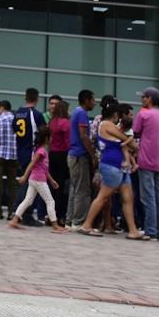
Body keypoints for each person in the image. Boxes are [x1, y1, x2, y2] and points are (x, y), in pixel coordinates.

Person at [78, 102, 141, 239]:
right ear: (115, 114)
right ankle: (86, 225)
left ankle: (132, 230)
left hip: (121, 167)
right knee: (103, 196)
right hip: (111, 165)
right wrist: (132, 143)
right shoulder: (106, 124)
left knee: (128, 198)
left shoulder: (113, 126)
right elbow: (125, 139)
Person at [132, 87, 159, 241]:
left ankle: (150, 231)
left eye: (144, 97)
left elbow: (135, 132)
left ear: (149, 99)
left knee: (148, 197)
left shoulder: (143, 114)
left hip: (146, 159)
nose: (142, 100)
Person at [8, 128, 65, 232]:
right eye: (51, 137)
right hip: (39, 180)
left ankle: (15, 219)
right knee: (50, 201)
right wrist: (24, 176)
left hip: (35, 179)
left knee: (28, 200)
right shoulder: (42, 151)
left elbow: (44, 169)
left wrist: (51, 181)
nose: (52, 139)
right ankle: (55, 225)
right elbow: (32, 164)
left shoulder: (42, 150)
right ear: (47, 138)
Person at [13, 88, 46, 224]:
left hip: (20, 151)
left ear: (25, 97)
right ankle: (24, 213)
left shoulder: (18, 113)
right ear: (37, 98)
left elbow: (15, 129)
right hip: (31, 152)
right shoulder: (36, 114)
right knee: (30, 184)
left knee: (27, 182)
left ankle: (19, 211)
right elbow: (43, 132)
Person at [66, 89, 97, 228]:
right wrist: (93, 155)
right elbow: (84, 136)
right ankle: (78, 222)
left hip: (73, 155)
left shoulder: (75, 112)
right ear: (86, 100)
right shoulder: (82, 114)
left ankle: (70, 220)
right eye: (93, 100)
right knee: (82, 191)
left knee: (75, 189)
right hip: (79, 156)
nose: (94, 103)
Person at [47, 96, 71, 225]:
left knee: (53, 186)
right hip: (62, 155)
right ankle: (59, 215)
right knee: (62, 186)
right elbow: (68, 141)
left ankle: (50, 214)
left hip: (52, 154)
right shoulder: (65, 123)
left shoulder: (52, 121)